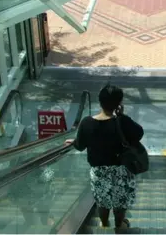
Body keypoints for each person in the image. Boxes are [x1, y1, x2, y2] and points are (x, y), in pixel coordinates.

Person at [66, 84, 144, 229]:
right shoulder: (121, 121)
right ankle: (119, 225)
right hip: (122, 170)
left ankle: (104, 224)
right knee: (120, 203)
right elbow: (139, 133)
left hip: (99, 171)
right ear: (119, 104)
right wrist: (121, 116)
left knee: (102, 202)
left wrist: (74, 142)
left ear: (100, 102)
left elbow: (80, 146)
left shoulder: (87, 123)